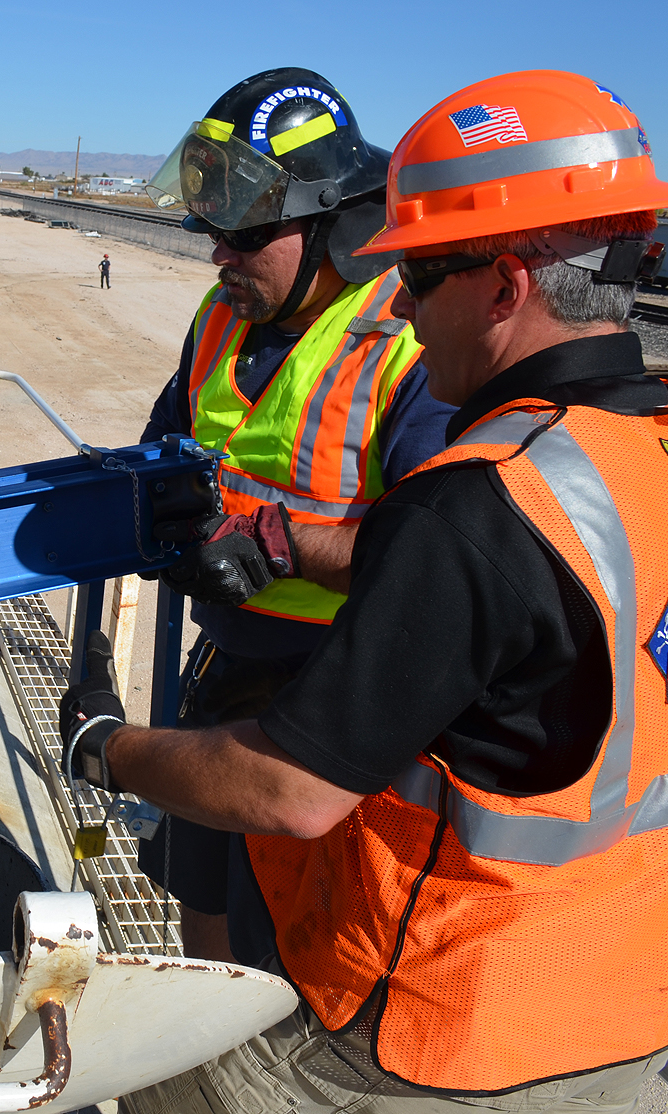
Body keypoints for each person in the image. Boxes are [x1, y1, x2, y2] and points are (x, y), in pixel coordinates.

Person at [63, 70, 668, 1113]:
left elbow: (292, 794)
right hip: (634, 1002)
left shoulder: (484, 500)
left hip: (451, 1027)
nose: (405, 308)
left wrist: (102, 746)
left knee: (158, 1075)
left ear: (507, 288)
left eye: (420, 276)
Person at [135, 69, 454, 964]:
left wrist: (279, 549)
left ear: (334, 223)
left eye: (243, 235)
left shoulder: (414, 344)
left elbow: (441, 567)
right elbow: (168, 446)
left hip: (342, 709)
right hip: (226, 675)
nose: (217, 257)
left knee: (309, 949)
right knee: (202, 903)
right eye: (211, 232)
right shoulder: (223, 314)